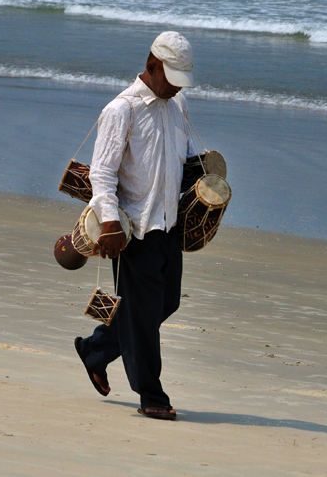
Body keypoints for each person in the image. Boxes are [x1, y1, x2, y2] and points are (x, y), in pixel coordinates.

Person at [74, 31, 198, 421]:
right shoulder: (121, 110)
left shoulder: (177, 104)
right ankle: (151, 395)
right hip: (132, 229)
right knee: (143, 315)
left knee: (166, 303)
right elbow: (103, 174)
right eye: (172, 77)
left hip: (168, 224)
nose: (177, 86)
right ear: (152, 66)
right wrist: (109, 221)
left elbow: (188, 161)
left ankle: (97, 348)